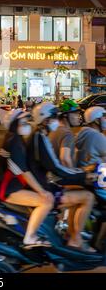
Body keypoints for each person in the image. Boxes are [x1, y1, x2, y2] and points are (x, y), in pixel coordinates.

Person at [27, 102, 96, 252]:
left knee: (79, 194)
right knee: (88, 197)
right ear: (45, 120)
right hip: (48, 185)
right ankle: (76, 241)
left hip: (47, 181)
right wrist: (83, 175)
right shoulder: (42, 137)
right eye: (53, 117)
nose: (55, 120)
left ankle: (71, 235)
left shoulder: (41, 135)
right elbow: (59, 164)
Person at [0, 109, 53, 249]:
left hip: (12, 186)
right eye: (23, 122)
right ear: (15, 124)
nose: (27, 124)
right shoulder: (14, 140)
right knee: (46, 201)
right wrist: (42, 191)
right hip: (9, 189)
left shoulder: (14, 138)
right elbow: (23, 172)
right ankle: (30, 237)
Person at [49, 99, 81, 168]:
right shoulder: (67, 134)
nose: (78, 117)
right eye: (75, 114)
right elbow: (65, 159)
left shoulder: (55, 130)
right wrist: (73, 175)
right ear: (65, 115)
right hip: (63, 177)